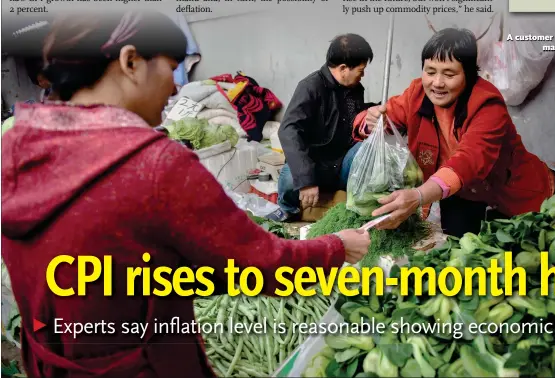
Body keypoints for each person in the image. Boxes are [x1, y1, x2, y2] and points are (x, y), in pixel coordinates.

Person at [1, 12, 370, 378]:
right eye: (171, 68)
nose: (177, 87)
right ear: (131, 62)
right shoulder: (156, 164)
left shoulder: (14, 149)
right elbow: (258, 265)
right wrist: (336, 247)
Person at [353, 28, 555, 236]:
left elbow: (469, 160)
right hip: (459, 193)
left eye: (449, 74)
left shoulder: (487, 104)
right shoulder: (416, 94)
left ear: (468, 75)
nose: (437, 83)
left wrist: (417, 196)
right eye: (430, 71)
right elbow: (380, 118)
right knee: (459, 248)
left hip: (509, 188)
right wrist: (370, 120)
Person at [270, 33, 377, 222]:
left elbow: (355, 121)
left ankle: (354, 208)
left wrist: (372, 113)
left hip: (341, 163)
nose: (363, 74)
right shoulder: (310, 87)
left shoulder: (354, 89)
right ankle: (288, 209)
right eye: (361, 70)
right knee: (289, 177)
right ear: (343, 68)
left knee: (367, 147)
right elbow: (288, 130)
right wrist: (306, 180)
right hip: (314, 164)